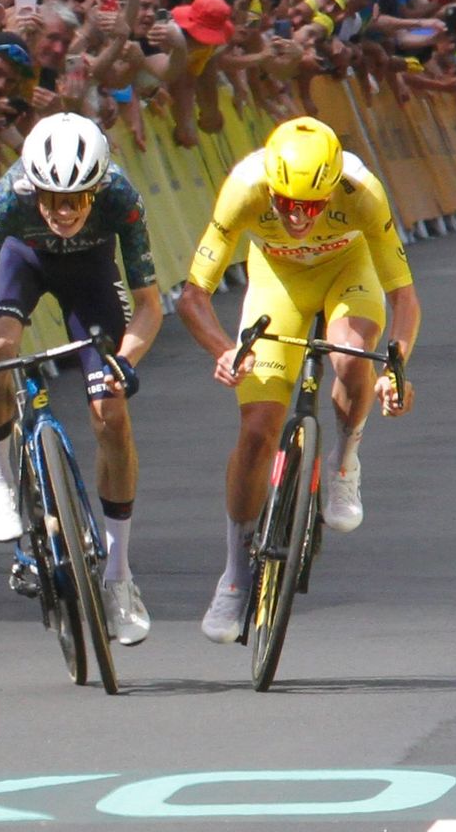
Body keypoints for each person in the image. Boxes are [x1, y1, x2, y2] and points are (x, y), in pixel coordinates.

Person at [176, 117, 420, 643]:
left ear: (332, 189)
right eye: (285, 203)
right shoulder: (245, 187)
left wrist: (396, 369)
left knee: (353, 355)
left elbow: (404, 298)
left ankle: (344, 459)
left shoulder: (363, 193)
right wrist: (224, 351)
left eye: (310, 206)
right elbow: (192, 295)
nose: (295, 216)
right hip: (277, 284)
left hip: (347, 273)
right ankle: (236, 573)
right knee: (258, 428)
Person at [0, 113, 161, 646]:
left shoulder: (120, 196)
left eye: (75, 200)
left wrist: (126, 361)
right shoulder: (4, 200)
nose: (62, 211)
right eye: (50, 198)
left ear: (96, 189)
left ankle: (118, 575)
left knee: (111, 414)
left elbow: (150, 306)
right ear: (32, 185)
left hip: (91, 271)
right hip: (24, 261)